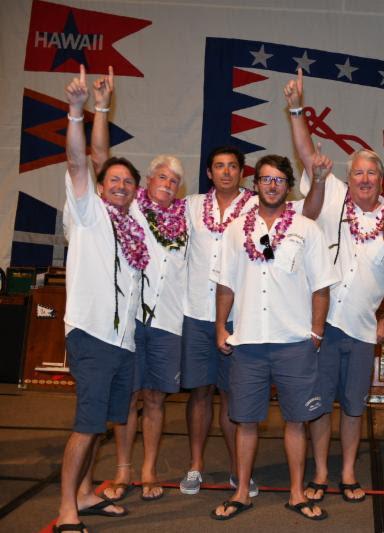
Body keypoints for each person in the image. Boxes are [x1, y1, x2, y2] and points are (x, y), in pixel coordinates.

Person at [283, 69, 384, 503]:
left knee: (356, 408)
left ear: (381, 180)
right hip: (322, 325)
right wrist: (297, 110)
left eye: (371, 175)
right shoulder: (332, 197)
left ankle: (347, 472)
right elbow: (307, 156)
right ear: (349, 176)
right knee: (319, 406)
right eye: (357, 173)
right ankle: (320, 473)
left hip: (361, 331)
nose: (363, 180)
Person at [210, 154, 338, 521]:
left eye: (279, 179)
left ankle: (297, 493)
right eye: (265, 179)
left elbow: (322, 287)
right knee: (246, 421)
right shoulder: (236, 230)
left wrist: (316, 331)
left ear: (288, 186)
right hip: (248, 342)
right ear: (255, 185)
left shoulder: (307, 230)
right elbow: (224, 285)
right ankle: (241, 492)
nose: (271, 185)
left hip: (294, 341)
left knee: (296, 420)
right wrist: (222, 326)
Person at [88, 70, 189, 504]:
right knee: (127, 397)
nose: (166, 184)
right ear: (146, 182)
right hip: (129, 321)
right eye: (160, 177)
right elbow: (100, 163)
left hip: (167, 322)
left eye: (174, 180)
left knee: (155, 399)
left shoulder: (189, 221)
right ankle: (124, 471)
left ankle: (149, 470)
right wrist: (101, 108)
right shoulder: (129, 211)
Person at [55, 65, 143, 532]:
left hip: (122, 341)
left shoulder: (132, 226)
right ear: (99, 185)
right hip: (90, 334)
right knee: (86, 424)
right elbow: (81, 159)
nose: (122, 186)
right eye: (114, 181)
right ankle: (68, 506)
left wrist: (106, 107)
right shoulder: (87, 212)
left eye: (130, 182)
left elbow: (106, 156)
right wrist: (79, 111)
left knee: (102, 425)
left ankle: (87, 493)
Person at [180, 146, 258, 496]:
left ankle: (237, 470)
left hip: (239, 318)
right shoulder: (190, 207)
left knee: (231, 396)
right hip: (197, 312)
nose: (226, 172)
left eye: (232, 166)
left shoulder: (258, 208)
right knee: (200, 392)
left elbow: (268, 254)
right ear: (209, 172)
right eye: (219, 166)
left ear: (242, 172)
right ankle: (195, 465)